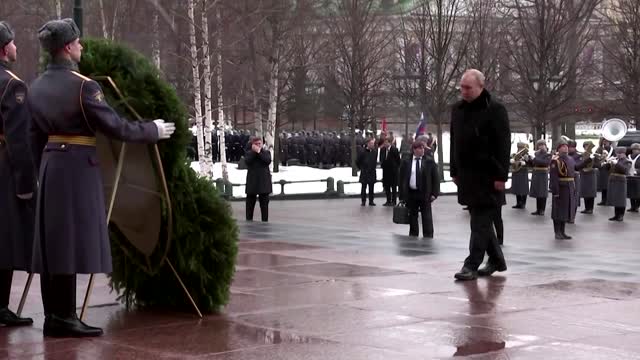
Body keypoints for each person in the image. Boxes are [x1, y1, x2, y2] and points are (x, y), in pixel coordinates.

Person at [28, 19, 175, 338]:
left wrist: (39, 172)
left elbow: (32, 137)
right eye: (77, 42)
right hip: (77, 169)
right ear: (67, 47)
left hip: (50, 167)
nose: (81, 47)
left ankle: (54, 314)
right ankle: (64, 317)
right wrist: (152, 130)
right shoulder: (84, 87)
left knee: (53, 243)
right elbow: (116, 127)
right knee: (66, 243)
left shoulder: (36, 86)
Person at [450, 69, 509, 281]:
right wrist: (454, 170)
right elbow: (454, 142)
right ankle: (496, 260)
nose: (463, 91)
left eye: (468, 87)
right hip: (467, 176)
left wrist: (502, 176)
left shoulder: (495, 109)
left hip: (489, 175)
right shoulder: (457, 109)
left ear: (480, 87)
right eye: (461, 87)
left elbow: (503, 145)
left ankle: (471, 265)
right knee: (480, 220)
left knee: (479, 222)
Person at [0, 21, 36, 327]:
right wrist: (26, 184)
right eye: (11, 42)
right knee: (7, 239)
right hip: (4, 171)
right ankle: (0, 306)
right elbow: (19, 141)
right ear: (3, 49)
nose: (15, 47)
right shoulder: (12, 85)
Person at [399, 141, 440, 238]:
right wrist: (402, 195)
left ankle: (428, 235)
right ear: (414, 150)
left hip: (425, 193)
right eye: (420, 148)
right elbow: (401, 179)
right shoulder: (406, 161)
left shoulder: (429, 161)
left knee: (427, 216)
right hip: (411, 193)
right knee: (413, 216)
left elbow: (435, 179)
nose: (422, 150)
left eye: (423, 148)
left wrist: (434, 193)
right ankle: (413, 234)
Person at [549, 139, 576, 239]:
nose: (565, 147)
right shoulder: (555, 160)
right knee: (557, 211)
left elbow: (576, 168)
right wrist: (555, 191)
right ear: (558, 148)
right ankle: (557, 232)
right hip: (560, 187)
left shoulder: (570, 159)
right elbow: (554, 176)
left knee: (565, 210)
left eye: (566, 146)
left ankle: (563, 232)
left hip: (569, 186)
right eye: (563, 146)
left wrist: (588, 159)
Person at [245, 137, 272, 221]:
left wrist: (259, 152)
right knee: (250, 203)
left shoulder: (266, 152)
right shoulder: (249, 153)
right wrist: (254, 152)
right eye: (256, 144)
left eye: (259, 144)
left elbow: (267, 161)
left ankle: (265, 220)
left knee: (264, 204)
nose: (258, 146)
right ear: (252, 145)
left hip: (263, 182)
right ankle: (249, 219)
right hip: (252, 182)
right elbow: (248, 161)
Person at [607, 146, 632, 221]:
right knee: (615, 199)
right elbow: (608, 169)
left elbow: (625, 170)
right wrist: (608, 162)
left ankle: (621, 215)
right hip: (614, 180)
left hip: (621, 181)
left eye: (619, 153)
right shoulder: (616, 160)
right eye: (617, 153)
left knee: (621, 199)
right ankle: (616, 215)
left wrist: (616, 163)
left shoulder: (627, 161)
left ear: (624, 154)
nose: (618, 155)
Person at [528, 140, 551, 215]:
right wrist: (528, 160)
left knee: (542, 192)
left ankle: (542, 210)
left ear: (545, 146)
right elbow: (533, 164)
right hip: (536, 173)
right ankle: (538, 209)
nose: (541, 146)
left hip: (543, 174)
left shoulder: (548, 154)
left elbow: (545, 163)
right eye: (539, 145)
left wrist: (534, 158)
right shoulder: (536, 154)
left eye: (542, 145)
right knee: (538, 192)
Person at [357, 137, 378, 206]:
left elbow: (375, 161)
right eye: (371, 143)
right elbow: (357, 161)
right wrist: (361, 168)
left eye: (373, 144)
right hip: (365, 172)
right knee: (364, 187)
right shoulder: (362, 152)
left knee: (371, 188)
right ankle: (363, 201)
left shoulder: (374, 152)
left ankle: (371, 201)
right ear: (367, 144)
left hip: (372, 172)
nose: (372, 145)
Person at [380, 137, 401, 206]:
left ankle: (394, 201)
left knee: (394, 187)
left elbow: (398, 160)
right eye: (384, 142)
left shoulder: (394, 149)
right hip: (386, 171)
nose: (385, 144)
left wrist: (395, 167)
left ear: (390, 143)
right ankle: (388, 200)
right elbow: (381, 158)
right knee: (387, 187)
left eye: (386, 142)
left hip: (393, 172)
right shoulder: (382, 149)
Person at [579, 141, 598, 214]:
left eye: (588, 145)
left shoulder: (594, 155)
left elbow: (598, 164)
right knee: (585, 191)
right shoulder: (583, 154)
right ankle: (587, 208)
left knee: (591, 192)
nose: (587, 147)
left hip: (591, 174)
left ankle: (590, 208)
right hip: (584, 174)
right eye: (585, 146)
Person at [510, 142, 530, 209]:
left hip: (523, 173)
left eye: (521, 147)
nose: (519, 149)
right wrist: (512, 161)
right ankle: (518, 203)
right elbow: (512, 162)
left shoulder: (526, 155)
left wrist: (525, 163)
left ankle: (523, 203)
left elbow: (530, 163)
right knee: (517, 188)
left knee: (523, 188)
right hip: (516, 172)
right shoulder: (515, 154)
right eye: (518, 147)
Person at [596, 138, 613, 205]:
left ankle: (609, 200)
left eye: (607, 141)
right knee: (603, 185)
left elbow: (615, 157)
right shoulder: (599, 149)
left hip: (610, 169)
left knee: (609, 185)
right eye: (604, 141)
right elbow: (596, 157)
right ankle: (603, 200)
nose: (605, 142)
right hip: (602, 169)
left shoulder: (612, 150)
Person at [628, 143, 640, 212]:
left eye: (636, 149)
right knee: (631, 192)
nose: (634, 151)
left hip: (638, 177)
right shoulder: (629, 156)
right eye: (633, 149)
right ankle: (632, 206)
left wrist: (637, 171)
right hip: (630, 176)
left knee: (638, 193)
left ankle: (637, 206)